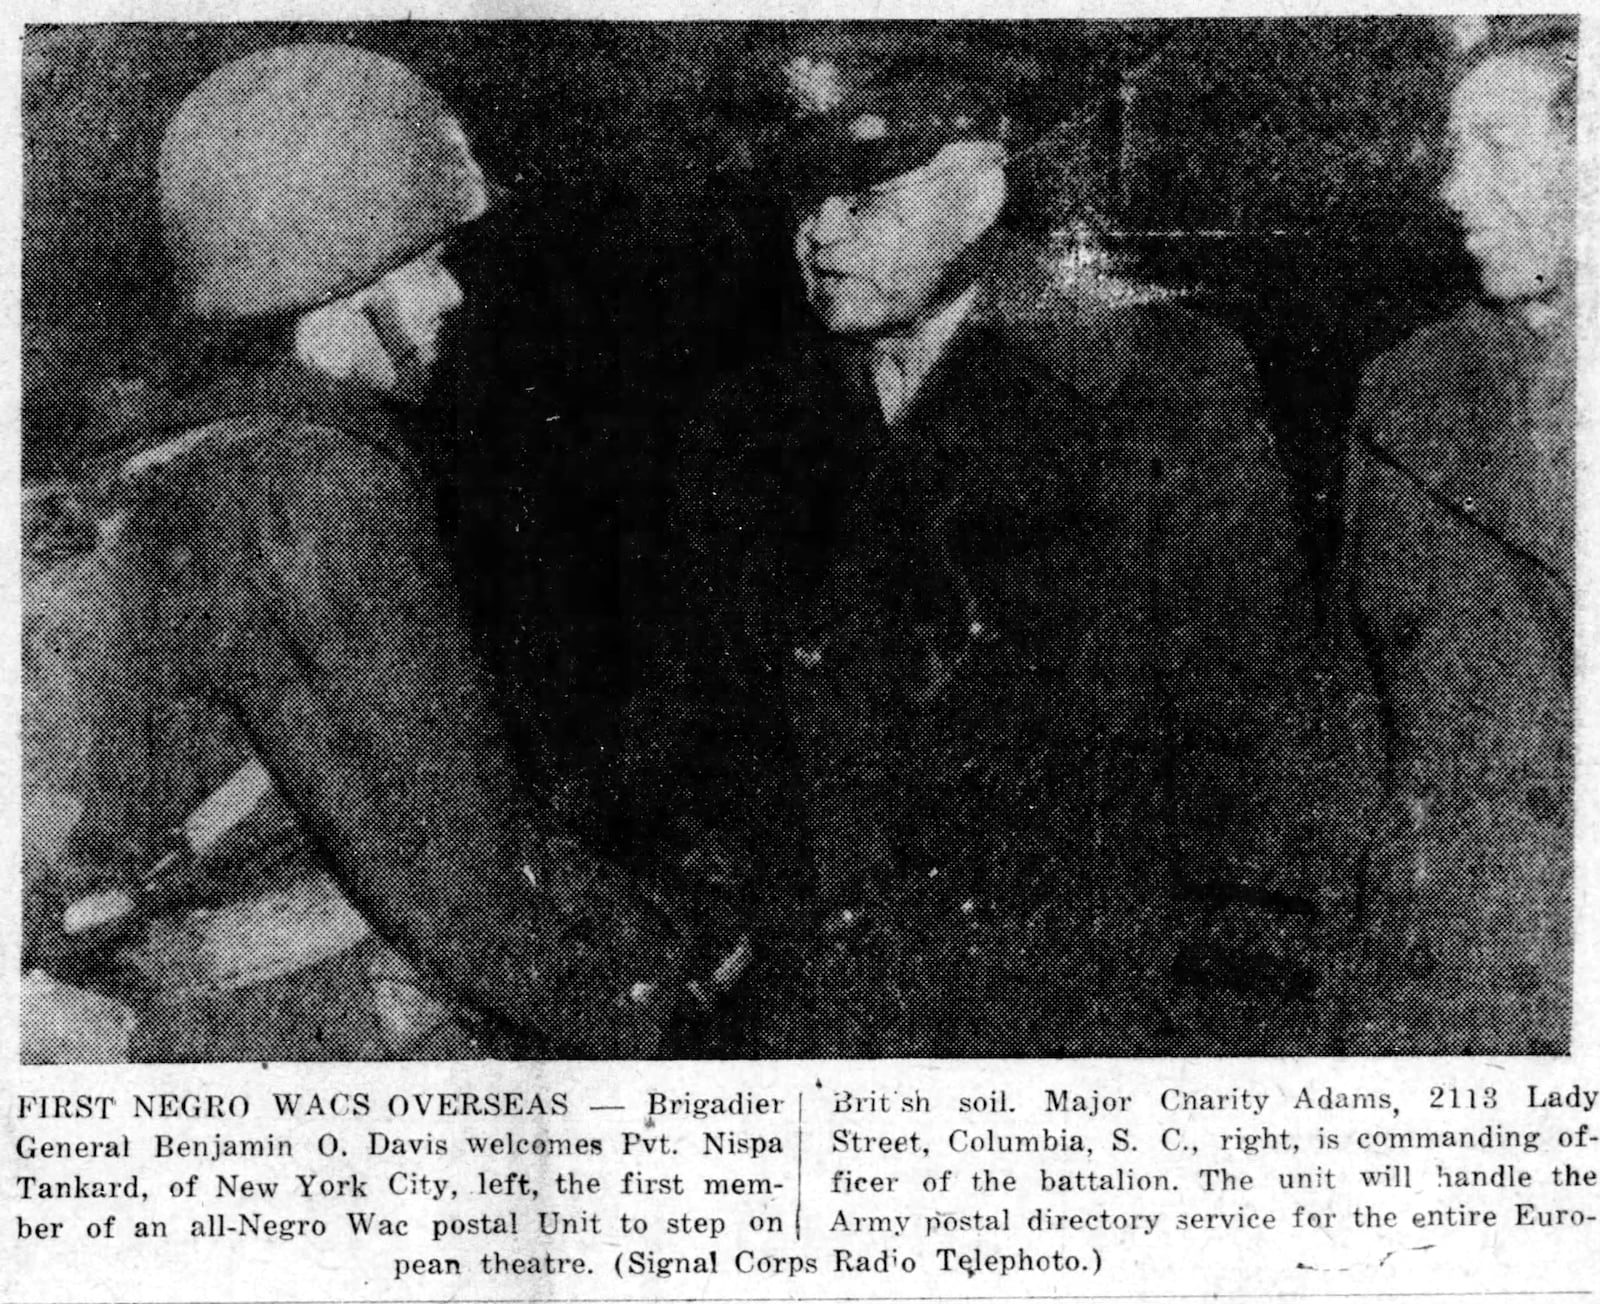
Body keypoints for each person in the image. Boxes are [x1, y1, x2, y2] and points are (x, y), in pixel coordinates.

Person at [625, 51, 1376, 1056]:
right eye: (804, 202)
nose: (820, 232)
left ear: (978, 200)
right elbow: (693, 737)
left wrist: (1219, 1040)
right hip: (819, 1026)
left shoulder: (1157, 388)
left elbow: (1256, 750)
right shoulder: (742, 426)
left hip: (1065, 1028)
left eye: (866, 199)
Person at [22, 43, 694, 1061]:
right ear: (340, 276)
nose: (451, 296)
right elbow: (442, 855)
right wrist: (644, 1004)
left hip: (159, 1000)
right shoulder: (313, 483)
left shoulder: (165, 454)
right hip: (294, 1019)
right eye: (423, 262)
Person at [1340, 19, 1575, 1054]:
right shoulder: (1406, 392)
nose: (1452, 189)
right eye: (1451, 149)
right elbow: (1343, 731)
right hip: (1438, 1003)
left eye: (1496, 146)